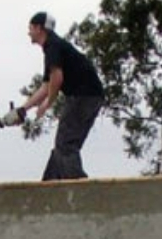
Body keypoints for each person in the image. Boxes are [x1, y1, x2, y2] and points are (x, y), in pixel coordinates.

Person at [19, 11, 105, 181]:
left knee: (65, 146)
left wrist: (47, 104)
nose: (28, 32)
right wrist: (23, 109)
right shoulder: (54, 47)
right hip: (90, 95)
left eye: (30, 28)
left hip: (83, 96)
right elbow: (46, 86)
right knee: (63, 147)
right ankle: (49, 187)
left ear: (39, 28)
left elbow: (57, 79)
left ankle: (80, 191)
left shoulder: (52, 46)